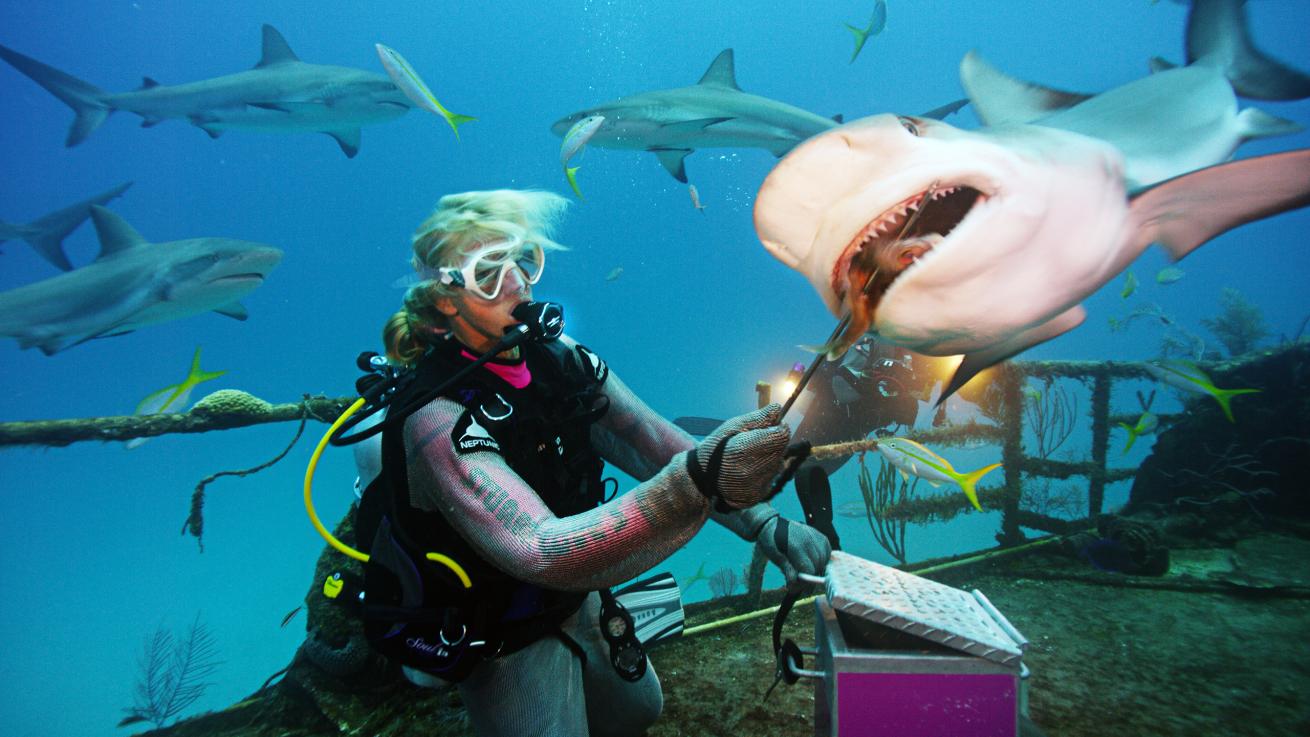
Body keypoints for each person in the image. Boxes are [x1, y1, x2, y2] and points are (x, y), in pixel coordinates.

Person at [356, 189, 831, 737]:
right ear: (445, 299)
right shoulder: (435, 422)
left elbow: (646, 435)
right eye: (489, 273)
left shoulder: (560, 357)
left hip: (574, 594)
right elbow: (539, 550)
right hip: (497, 622)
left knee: (639, 709)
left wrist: (763, 523)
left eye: (524, 259)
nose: (519, 284)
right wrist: (694, 482)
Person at [790, 334, 921, 550]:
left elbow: (844, 387)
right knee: (806, 469)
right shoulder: (874, 342)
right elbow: (842, 386)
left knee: (805, 468)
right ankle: (827, 540)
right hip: (841, 421)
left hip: (843, 422)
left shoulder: (881, 342)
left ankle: (827, 541)